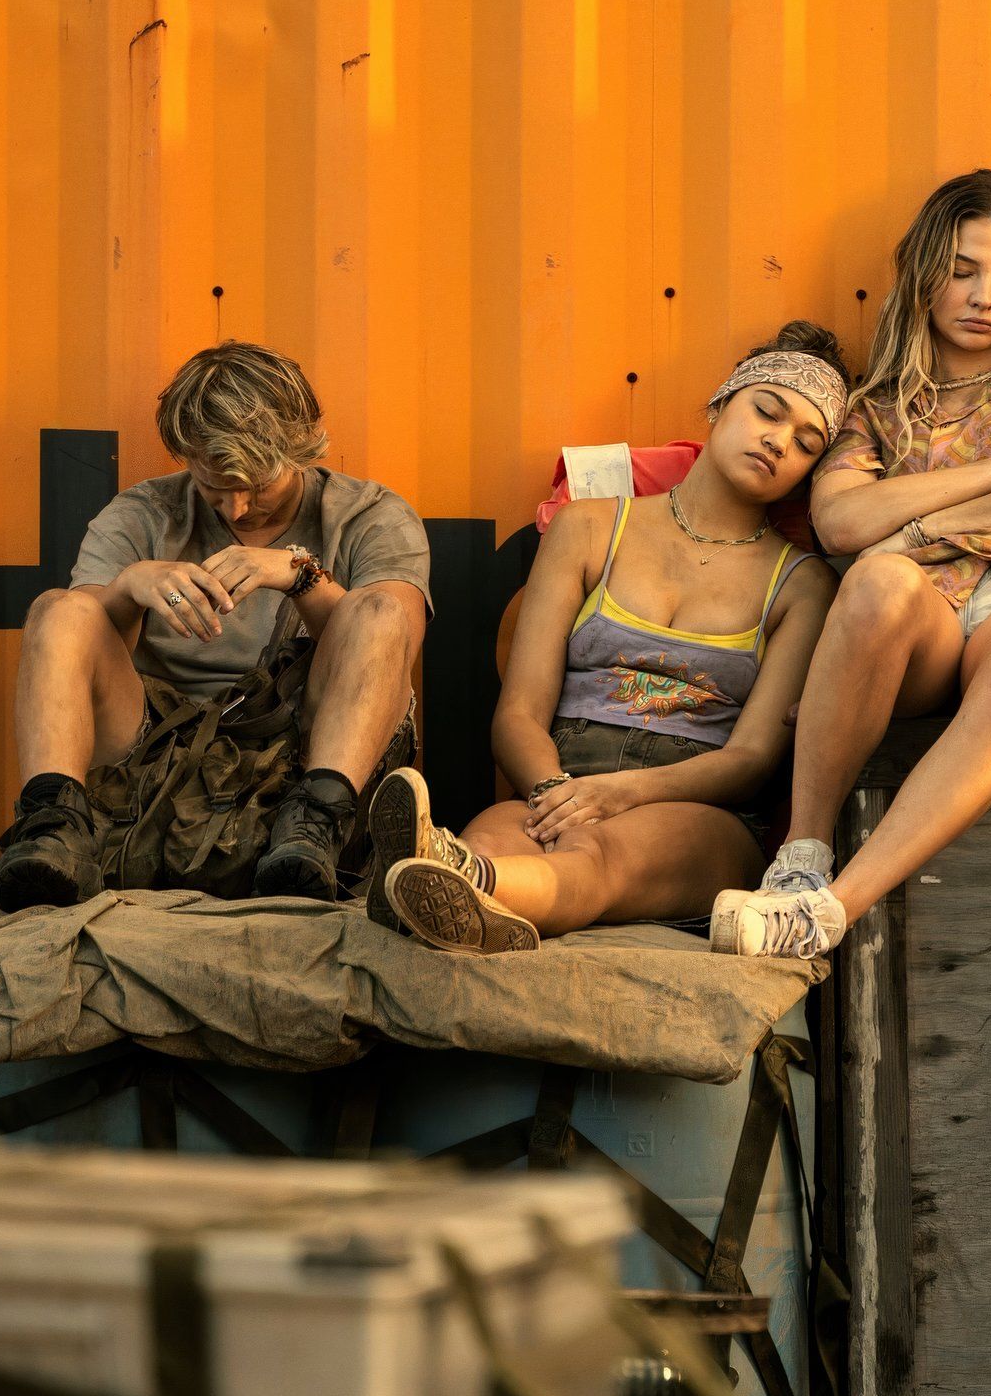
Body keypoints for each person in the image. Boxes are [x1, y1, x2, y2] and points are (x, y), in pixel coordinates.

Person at [707, 171, 991, 967]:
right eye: (964, 271)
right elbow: (841, 521)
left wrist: (926, 522)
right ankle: (799, 859)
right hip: (926, 624)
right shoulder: (872, 409)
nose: (986, 296)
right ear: (924, 276)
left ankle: (829, 910)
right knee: (876, 580)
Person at [360, 324, 849, 952]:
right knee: (495, 832)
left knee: (597, 853)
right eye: (767, 411)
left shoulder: (802, 585)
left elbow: (750, 760)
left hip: (697, 811)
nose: (779, 441)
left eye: (806, 443)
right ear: (721, 405)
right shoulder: (590, 528)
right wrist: (552, 792)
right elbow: (518, 712)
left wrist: (619, 794)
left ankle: (458, 885)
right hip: (558, 779)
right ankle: (458, 875)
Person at [0, 342, 431, 910]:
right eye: (214, 488)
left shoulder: (370, 515)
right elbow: (76, 650)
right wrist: (129, 589)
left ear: (300, 448)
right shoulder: (143, 513)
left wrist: (301, 577)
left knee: (376, 610)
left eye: (259, 484)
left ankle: (315, 826)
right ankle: (53, 828)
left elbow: (397, 641)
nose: (238, 509)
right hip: (156, 761)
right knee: (61, 609)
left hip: (302, 757)